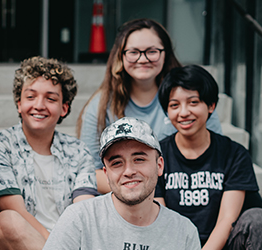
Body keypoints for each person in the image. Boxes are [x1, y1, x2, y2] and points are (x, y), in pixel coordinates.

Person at [75, 18, 223, 194]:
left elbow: (215, 155)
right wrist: (145, 193)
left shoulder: (192, 101)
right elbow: (89, 171)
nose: (143, 59)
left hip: (186, 197)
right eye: (133, 52)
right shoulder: (100, 105)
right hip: (127, 201)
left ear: (165, 54)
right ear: (120, 56)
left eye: (152, 51)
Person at [0, 57, 98, 250]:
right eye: (30, 97)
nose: (39, 105)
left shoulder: (78, 151)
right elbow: (15, 212)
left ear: (64, 108)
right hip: (13, 243)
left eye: (50, 99)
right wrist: (56, 245)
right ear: (19, 104)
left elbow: (83, 210)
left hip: (67, 241)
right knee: (9, 220)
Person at [155, 65, 262, 249]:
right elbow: (161, 220)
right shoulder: (157, 156)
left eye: (193, 102)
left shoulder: (234, 154)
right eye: (174, 105)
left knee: (261, 220)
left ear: (211, 106)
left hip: (224, 245)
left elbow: (227, 220)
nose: (183, 112)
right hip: (176, 245)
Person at [43, 117, 200, 250]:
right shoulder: (78, 220)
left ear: (159, 165)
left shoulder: (184, 232)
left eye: (139, 159)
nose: (128, 171)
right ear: (106, 173)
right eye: (117, 163)